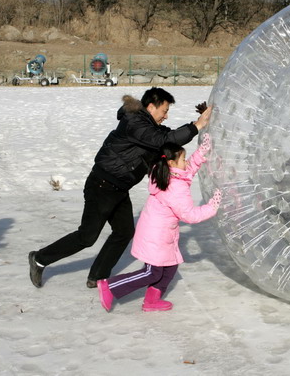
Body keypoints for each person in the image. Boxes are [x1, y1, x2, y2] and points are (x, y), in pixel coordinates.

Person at [29, 87, 212, 289]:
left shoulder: (149, 127)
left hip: (119, 188)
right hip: (103, 185)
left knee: (124, 232)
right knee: (87, 236)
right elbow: (162, 140)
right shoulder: (134, 122)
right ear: (151, 107)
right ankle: (39, 258)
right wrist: (195, 127)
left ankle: (98, 276)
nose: (166, 116)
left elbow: (168, 139)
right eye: (164, 111)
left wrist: (198, 124)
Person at [97, 134, 222, 312]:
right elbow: (190, 216)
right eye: (183, 159)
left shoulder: (167, 173)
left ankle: (151, 301)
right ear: (171, 163)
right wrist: (212, 207)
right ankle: (110, 287)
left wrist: (200, 153)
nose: (186, 162)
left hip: (162, 233)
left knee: (170, 268)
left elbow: (188, 171)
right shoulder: (175, 188)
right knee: (152, 272)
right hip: (155, 236)